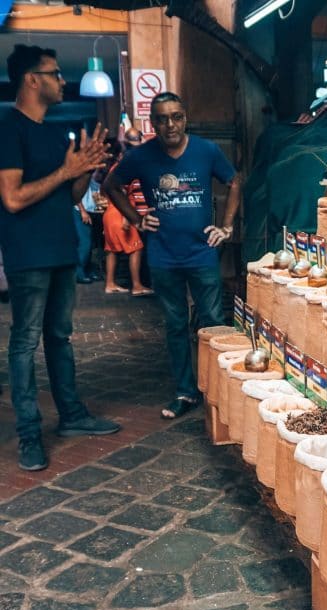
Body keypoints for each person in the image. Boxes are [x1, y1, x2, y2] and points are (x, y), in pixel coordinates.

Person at [0, 44, 122, 471]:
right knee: (24, 342)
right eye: (54, 73)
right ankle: (29, 434)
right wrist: (65, 172)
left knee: (60, 337)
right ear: (32, 79)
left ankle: (71, 416)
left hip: (60, 250)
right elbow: (13, 198)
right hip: (27, 254)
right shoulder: (7, 127)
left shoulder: (54, 131)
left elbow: (71, 196)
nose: (62, 80)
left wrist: (87, 167)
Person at [104, 92, 241, 420]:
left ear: (185, 117)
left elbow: (235, 182)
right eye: (162, 118)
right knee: (176, 325)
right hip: (163, 257)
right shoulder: (142, 156)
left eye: (176, 116)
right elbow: (111, 184)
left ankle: (219, 393)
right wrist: (136, 218)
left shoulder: (206, 151)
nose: (170, 124)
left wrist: (226, 227)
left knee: (212, 324)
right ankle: (186, 391)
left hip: (203, 253)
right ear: (153, 122)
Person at [101, 142, 151, 296]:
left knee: (111, 250)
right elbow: (120, 194)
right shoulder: (121, 169)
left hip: (110, 214)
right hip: (119, 213)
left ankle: (110, 284)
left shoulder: (112, 168)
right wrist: (127, 218)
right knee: (137, 248)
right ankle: (137, 286)